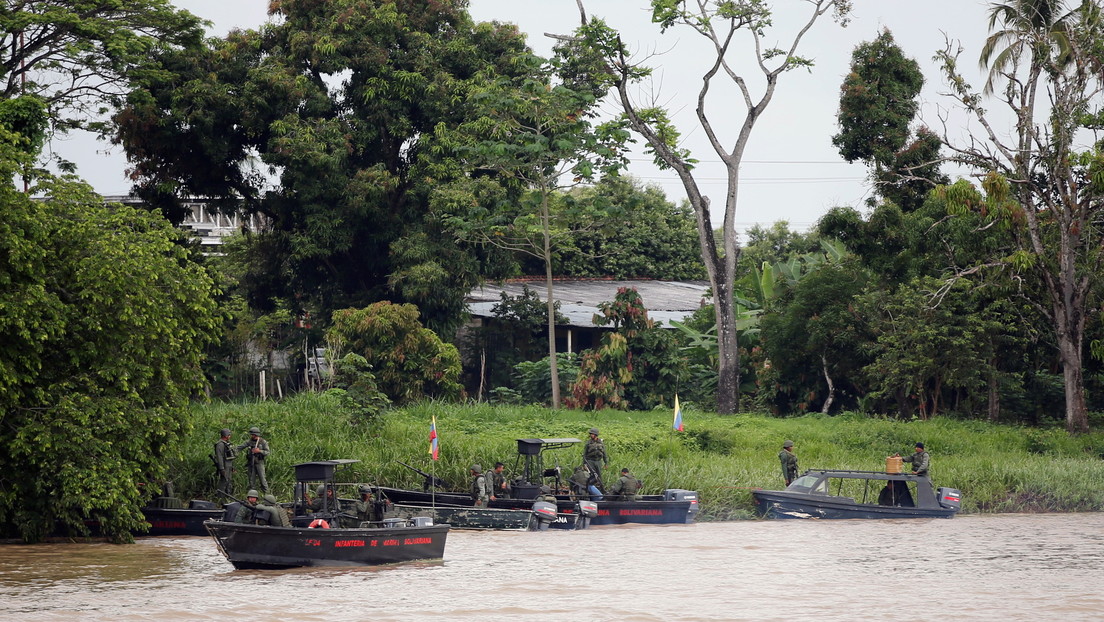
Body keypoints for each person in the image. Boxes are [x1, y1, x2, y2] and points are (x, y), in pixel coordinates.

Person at [236, 426, 271, 493]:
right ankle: (252, 494)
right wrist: (233, 449)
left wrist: (259, 451)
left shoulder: (263, 442)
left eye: (253, 434)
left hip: (259, 462)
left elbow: (267, 452)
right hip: (251, 462)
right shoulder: (249, 441)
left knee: (262, 479)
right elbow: (241, 447)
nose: (251, 436)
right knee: (251, 480)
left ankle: (267, 494)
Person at [211, 428, 236, 496]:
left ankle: (228, 496)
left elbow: (230, 456)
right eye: (229, 435)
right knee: (223, 481)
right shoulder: (220, 444)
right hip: (224, 466)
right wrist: (221, 468)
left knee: (229, 481)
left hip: (229, 465)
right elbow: (219, 457)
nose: (230, 436)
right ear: (225, 435)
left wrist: (232, 467)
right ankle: (220, 497)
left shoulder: (226, 443)